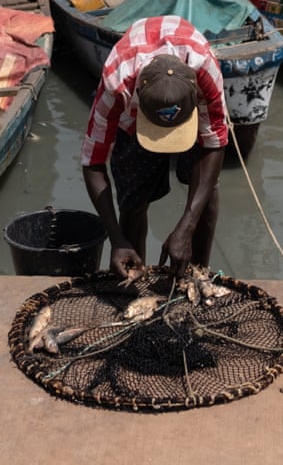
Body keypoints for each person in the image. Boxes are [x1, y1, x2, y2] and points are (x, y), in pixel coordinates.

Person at [81, 15, 229, 278]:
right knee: (133, 199)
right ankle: (133, 273)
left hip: (192, 117)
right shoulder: (117, 80)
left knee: (205, 193)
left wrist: (187, 226)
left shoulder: (205, 68)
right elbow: (92, 161)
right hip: (132, 125)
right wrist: (116, 240)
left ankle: (198, 274)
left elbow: (214, 143)